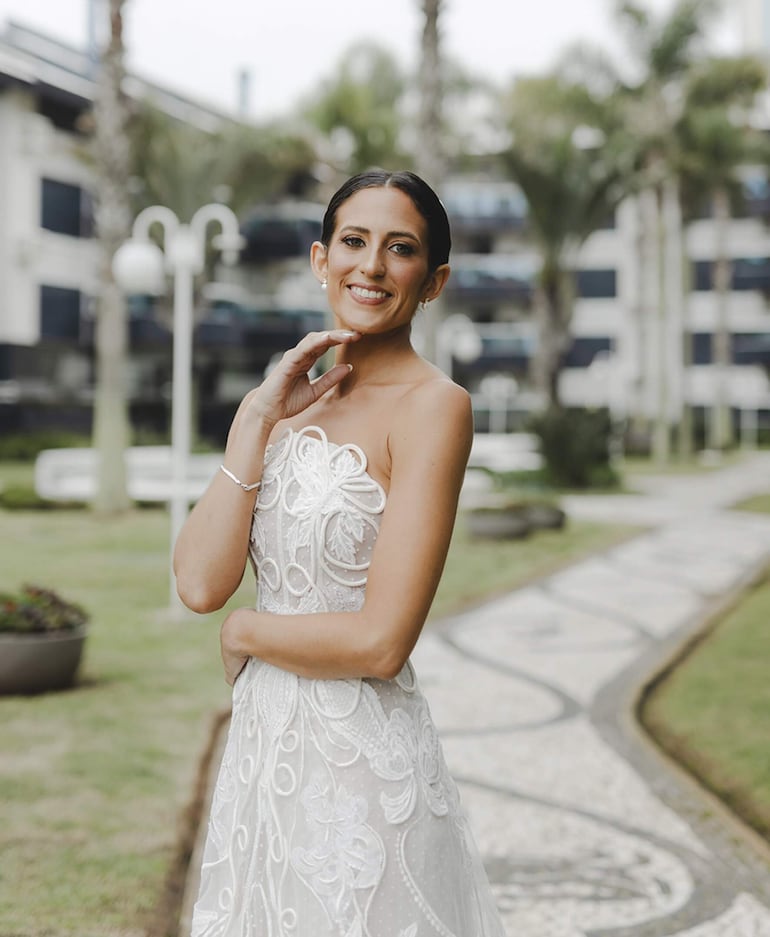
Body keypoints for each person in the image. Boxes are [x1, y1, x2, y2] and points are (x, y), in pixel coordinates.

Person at [175, 169, 507, 937]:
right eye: (354, 241)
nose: (372, 266)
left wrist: (246, 631)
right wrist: (257, 416)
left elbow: (382, 642)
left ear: (433, 281)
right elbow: (197, 581)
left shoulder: (435, 407)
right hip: (263, 754)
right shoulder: (287, 406)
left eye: (401, 249)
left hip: (359, 775)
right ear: (321, 260)